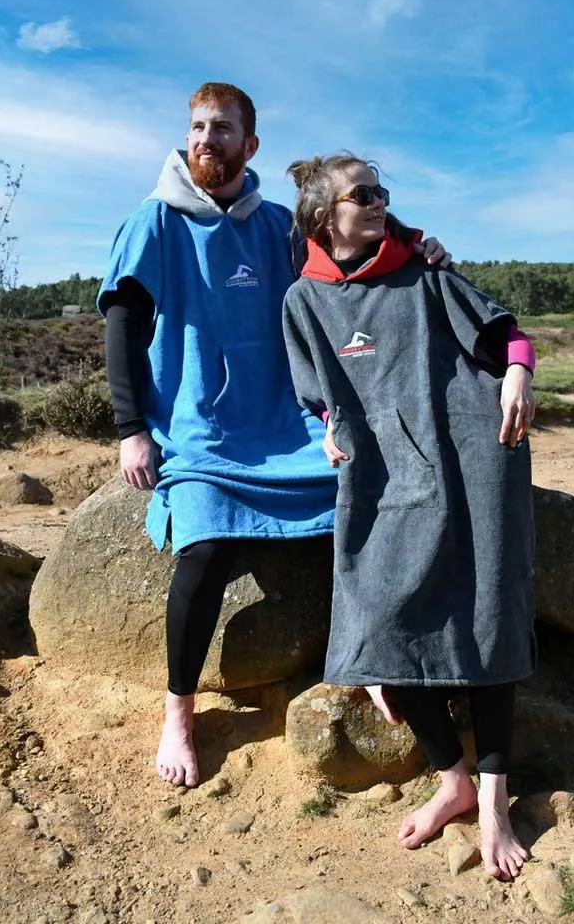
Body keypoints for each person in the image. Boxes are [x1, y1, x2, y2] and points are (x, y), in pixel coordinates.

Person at [97, 83, 451, 789]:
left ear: (249, 144)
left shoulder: (277, 225)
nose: (207, 139)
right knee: (206, 549)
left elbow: (350, 240)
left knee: (366, 502)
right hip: (201, 428)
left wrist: (417, 244)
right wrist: (132, 429)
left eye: (223, 129)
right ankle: (179, 709)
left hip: (285, 423)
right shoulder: (153, 221)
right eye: (198, 127)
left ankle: (371, 658)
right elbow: (122, 326)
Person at [281, 153, 537, 882]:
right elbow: (317, 392)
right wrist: (327, 425)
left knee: (487, 616)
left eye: (382, 191)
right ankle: (451, 779)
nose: (379, 201)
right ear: (324, 216)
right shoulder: (303, 300)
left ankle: (494, 802)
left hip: (476, 460)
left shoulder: (424, 271)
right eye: (363, 193)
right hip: (387, 475)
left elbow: (508, 337)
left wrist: (518, 375)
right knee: (382, 621)